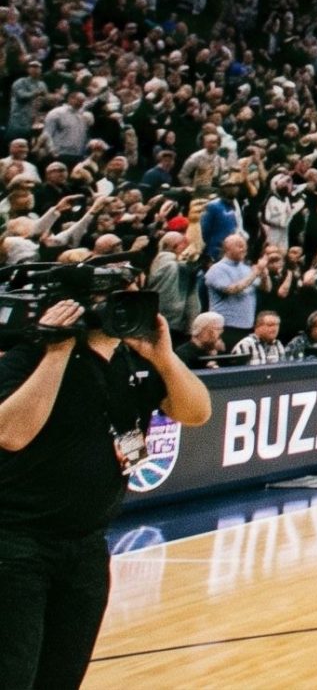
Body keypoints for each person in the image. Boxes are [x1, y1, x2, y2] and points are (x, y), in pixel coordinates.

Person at [0, 290, 212, 687]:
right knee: (12, 674)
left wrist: (165, 357)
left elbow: (197, 412)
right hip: (16, 545)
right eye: (107, 296)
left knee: (62, 676)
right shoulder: (28, 357)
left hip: (87, 548)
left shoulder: (134, 363)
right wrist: (57, 352)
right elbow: (10, 433)